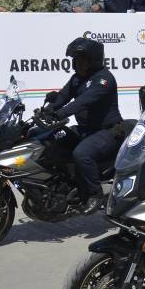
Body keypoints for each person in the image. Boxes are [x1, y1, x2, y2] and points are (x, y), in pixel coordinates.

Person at [43, 38, 123, 214]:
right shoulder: (77, 78)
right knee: (52, 139)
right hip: (86, 130)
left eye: (80, 59)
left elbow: (82, 102)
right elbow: (63, 96)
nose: (76, 63)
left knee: (82, 153)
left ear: (93, 60)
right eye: (75, 59)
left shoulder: (104, 79)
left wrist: (60, 114)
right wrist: (48, 110)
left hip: (107, 131)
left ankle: (95, 194)